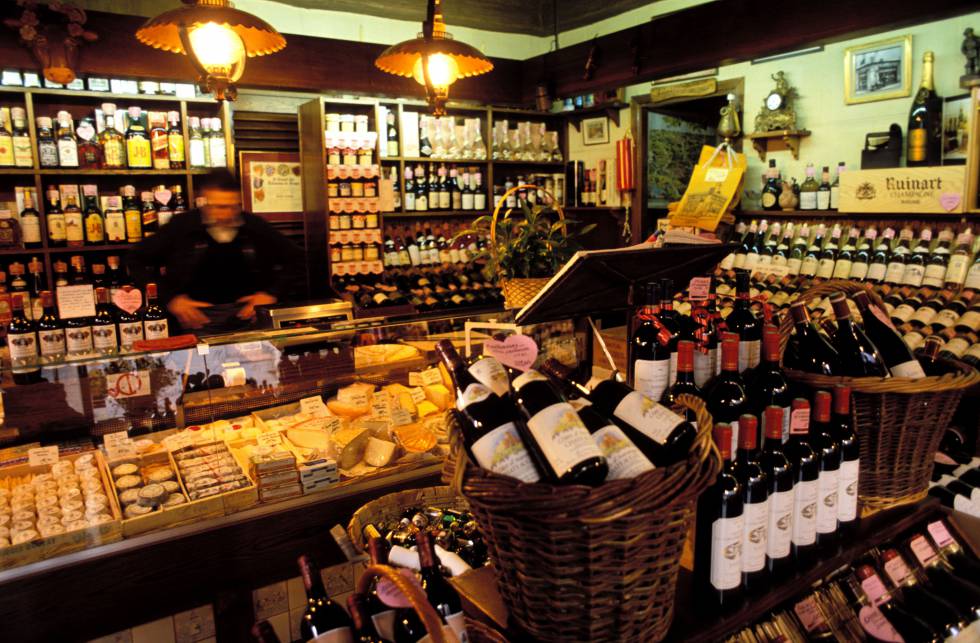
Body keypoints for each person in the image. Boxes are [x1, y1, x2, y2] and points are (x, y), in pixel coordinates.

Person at [127, 169, 302, 334]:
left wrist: (271, 294)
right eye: (219, 207)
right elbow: (135, 259)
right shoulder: (183, 226)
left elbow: (297, 258)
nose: (227, 214)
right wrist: (171, 299)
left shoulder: (255, 226)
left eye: (234, 206)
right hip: (194, 322)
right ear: (204, 200)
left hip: (250, 320)